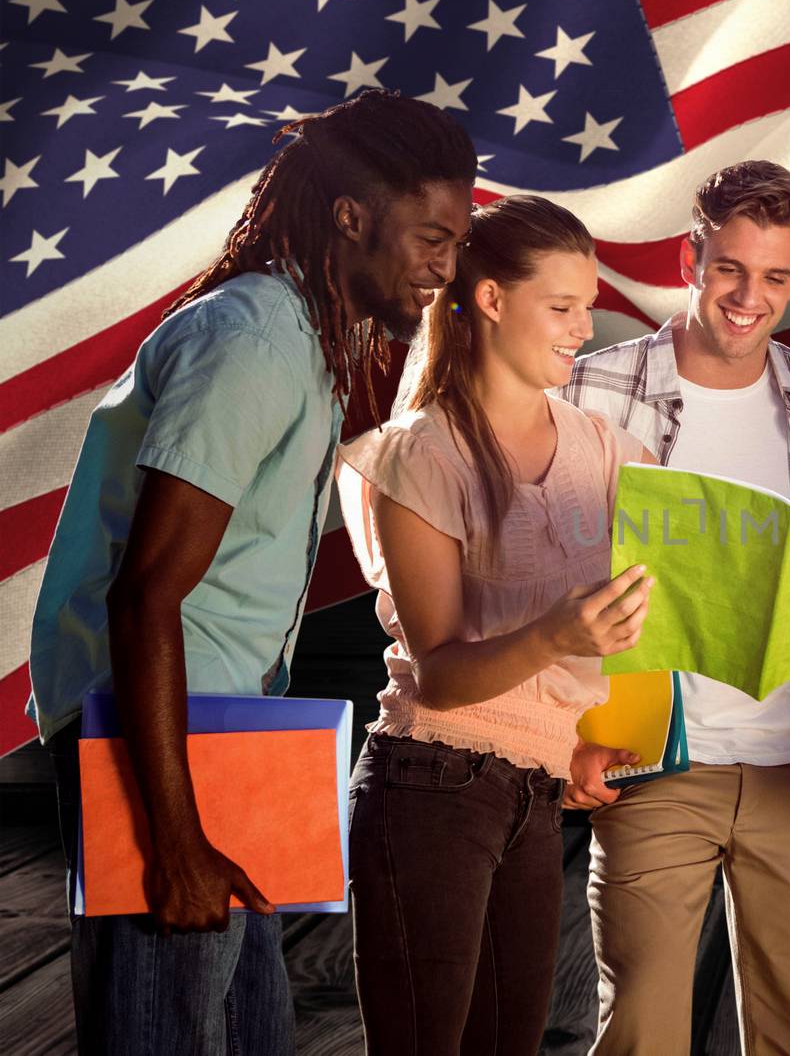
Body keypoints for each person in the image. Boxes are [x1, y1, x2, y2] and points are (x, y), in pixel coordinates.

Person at [26, 90, 476, 1055]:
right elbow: (147, 592)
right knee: (163, 1032)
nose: (446, 264)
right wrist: (175, 836)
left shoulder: (307, 336)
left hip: (226, 736)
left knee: (250, 1028)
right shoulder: (254, 339)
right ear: (353, 215)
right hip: (162, 747)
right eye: (431, 236)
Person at [558, 161, 790, 1054]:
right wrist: (565, 730)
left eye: (772, 277)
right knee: (641, 1030)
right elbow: (540, 574)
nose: (747, 297)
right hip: (653, 761)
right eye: (729, 268)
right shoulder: (591, 392)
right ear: (691, 255)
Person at [336, 195, 655, 1055]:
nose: (583, 327)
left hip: (540, 790)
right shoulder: (420, 453)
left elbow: (640, 625)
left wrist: (582, 733)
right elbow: (439, 672)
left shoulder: (612, 449)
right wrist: (555, 634)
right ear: (489, 300)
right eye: (562, 306)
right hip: (429, 783)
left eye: (588, 306)